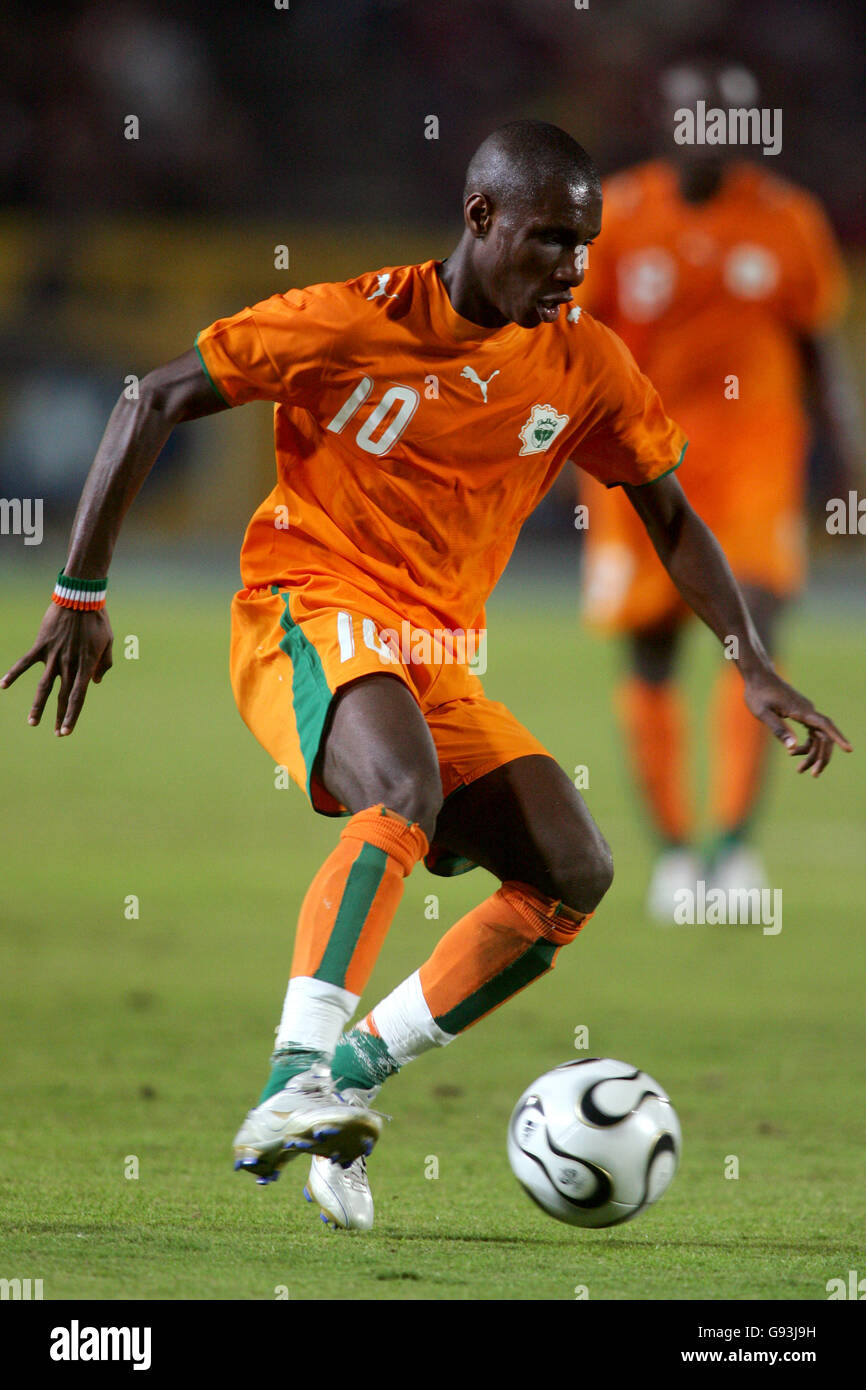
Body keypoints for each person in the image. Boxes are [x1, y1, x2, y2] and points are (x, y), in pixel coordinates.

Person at [1, 120, 850, 1232]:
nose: (571, 268)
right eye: (548, 239)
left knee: (569, 873)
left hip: (436, 654)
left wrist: (750, 663)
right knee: (399, 787)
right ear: (480, 217)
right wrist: (79, 591)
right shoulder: (348, 320)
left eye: (584, 244)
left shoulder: (583, 362)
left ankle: (348, 1079)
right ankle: (288, 1080)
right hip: (305, 606)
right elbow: (150, 397)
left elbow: (670, 513)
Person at [575, 62, 860, 917]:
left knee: (757, 634)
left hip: (756, 462)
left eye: (727, 123)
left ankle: (734, 852)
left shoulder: (787, 219)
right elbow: (575, 342)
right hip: (642, 458)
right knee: (651, 649)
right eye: (694, 120)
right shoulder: (618, 214)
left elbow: (819, 346)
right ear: (664, 123)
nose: (711, 137)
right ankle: (672, 856)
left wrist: (847, 451)